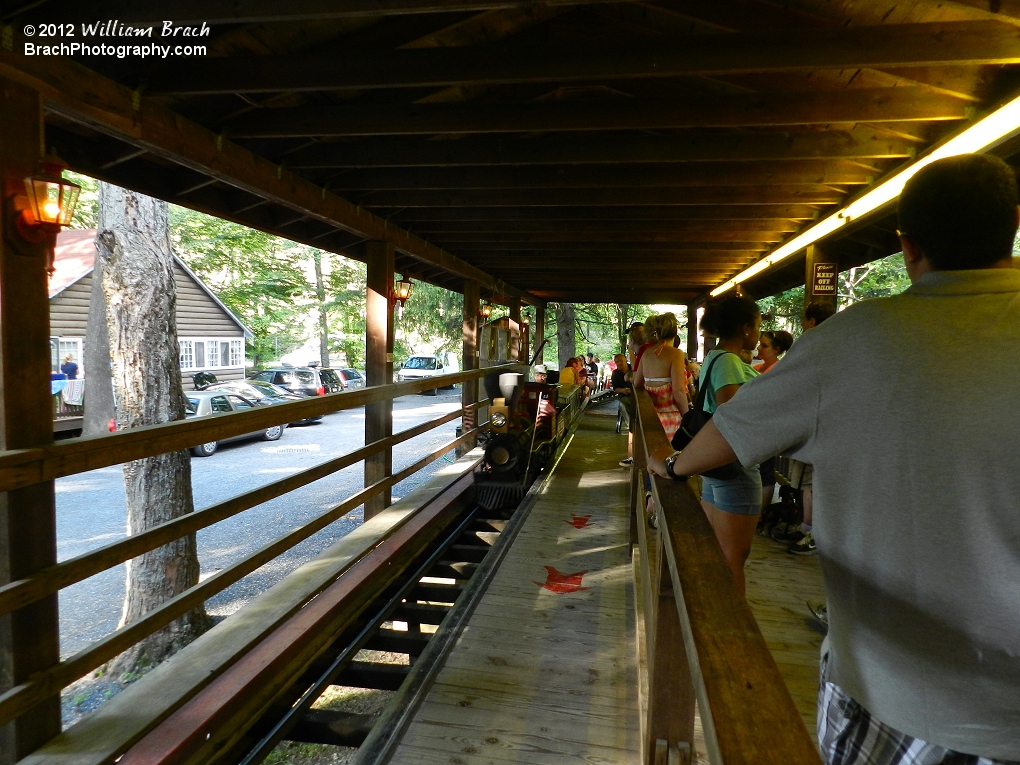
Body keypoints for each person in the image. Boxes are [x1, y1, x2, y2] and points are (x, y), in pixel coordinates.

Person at [650, 154, 1020, 765]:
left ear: (907, 247)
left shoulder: (858, 338)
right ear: (1012, 222)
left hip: (897, 696)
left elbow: (730, 430)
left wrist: (671, 466)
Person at [678, 297, 761, 593]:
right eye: (758, 325)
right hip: (734, 466)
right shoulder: (728, 361)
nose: (759, 334)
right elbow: (733, 417)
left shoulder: (715, 356)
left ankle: (709, 603)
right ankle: (730, 626)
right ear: (745, 327)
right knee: (733, 557)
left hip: (717, 464)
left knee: (718, 549)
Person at [633, 313, 689, 439]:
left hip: (650, 417)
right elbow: (679, 391)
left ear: (656, 333)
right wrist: (687, 417)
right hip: (671, 421)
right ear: (675, 331)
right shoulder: (676, 354)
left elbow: (637, 383)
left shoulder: (646, 353)